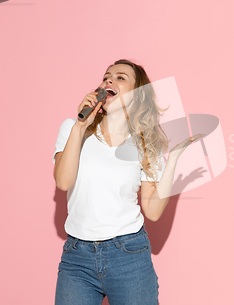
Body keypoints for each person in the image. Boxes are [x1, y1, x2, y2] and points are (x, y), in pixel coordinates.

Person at [53, 59, 202, 305]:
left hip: (128, 255)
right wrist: (80, 127)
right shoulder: (72, 129)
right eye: (106, 77)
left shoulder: (145, 144)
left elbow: (153, 211)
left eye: (121, 77)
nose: (109, 80)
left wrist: (172, 159)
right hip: (77, 259)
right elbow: (63, 182)